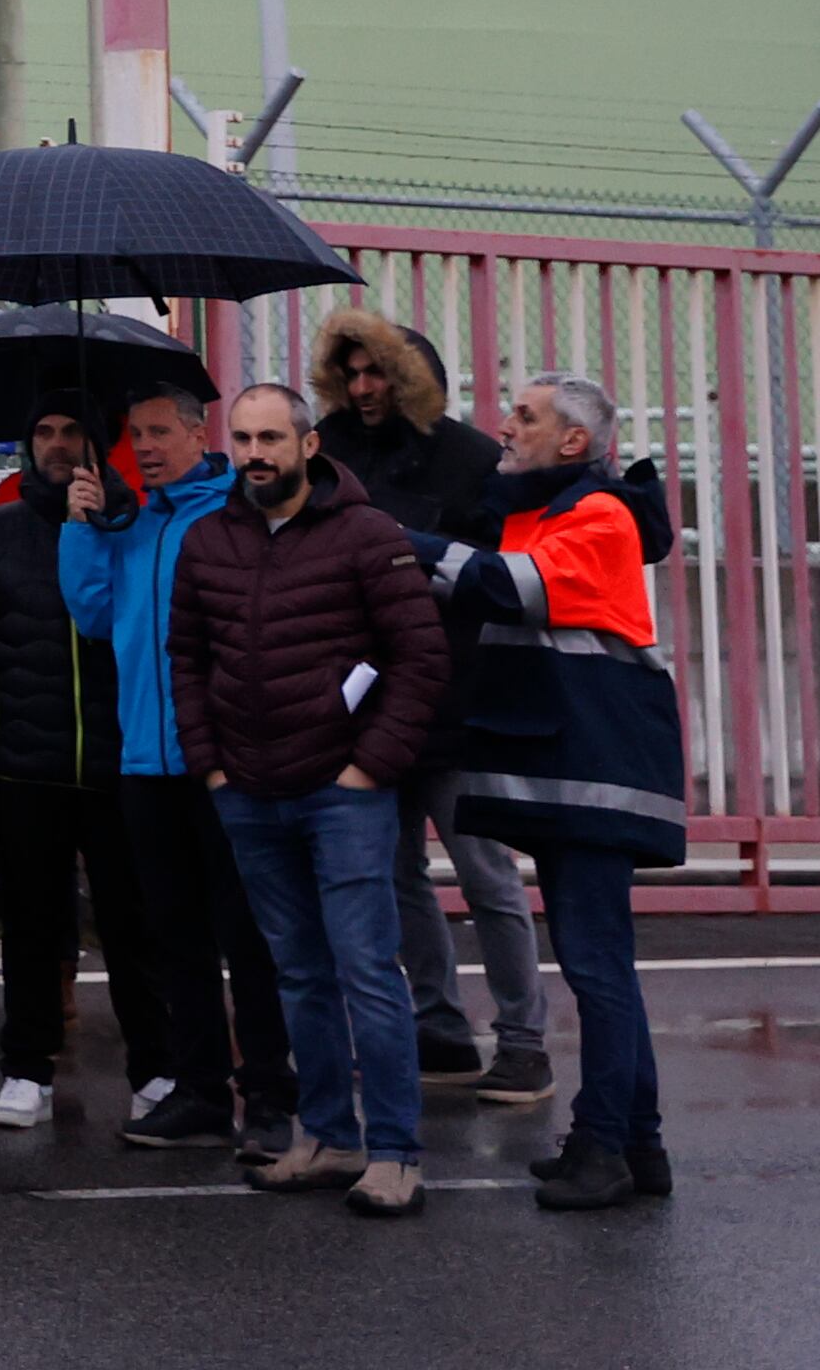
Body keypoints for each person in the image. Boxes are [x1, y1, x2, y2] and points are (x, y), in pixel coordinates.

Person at [167, 382, 443, 1216]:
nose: (255, 454)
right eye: (243, 439)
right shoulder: (207, 539)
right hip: (246, 792)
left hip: (341, 794)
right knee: (299, 974)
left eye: (271, 439)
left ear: (308, 445)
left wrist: (370, 769)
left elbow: (420, 659)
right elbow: (185, 658)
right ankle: (325, 1138)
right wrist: (210, 766)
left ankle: (395, 1151)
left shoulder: (368, 536)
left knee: (366, 971)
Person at [419, 373, 690, 1210]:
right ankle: (636, 1147)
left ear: (575, 441)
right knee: (601, 966)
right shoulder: (545, 510)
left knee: (598, 969)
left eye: (525, 416)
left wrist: (395, 540)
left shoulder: (597, 515)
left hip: (598, 779)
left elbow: (513, 588)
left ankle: (604, 1146)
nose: (506, 426)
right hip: (581, 776)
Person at [309, 312, 552, 1103]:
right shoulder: (331, 451)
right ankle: (439, 1027)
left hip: (461, 695)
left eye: (376, 372)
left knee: (487, 875)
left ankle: (523, 1043)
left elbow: (504, 573)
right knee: (396, 872)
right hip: (372, 701)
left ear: (413, 378)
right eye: (349, 373)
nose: (362, 387)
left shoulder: (474, 458)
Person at [60, 382, 292, 1153]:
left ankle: (268, 1096)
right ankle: (198, 1090)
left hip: (221, 759)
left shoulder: (235, 511)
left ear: (201, 436)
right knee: (176, 936)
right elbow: (93, 615)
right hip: (144, 759)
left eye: (161, 432)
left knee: (247, 934)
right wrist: (84, 528)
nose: (146, 447)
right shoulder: (134, 521)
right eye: (137, 434)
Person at [0, 403, 168, 1132]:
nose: (59, 445)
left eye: (74, 431)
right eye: (44, 432)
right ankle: (26, 1070)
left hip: (119, 762)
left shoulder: (137, 526)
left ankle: (156, 1068)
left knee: (134, 925)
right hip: (26, 765)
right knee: (33, 926)